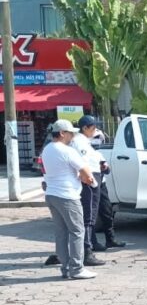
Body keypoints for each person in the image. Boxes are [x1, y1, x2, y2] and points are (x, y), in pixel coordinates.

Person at [41, 119, 97, 279]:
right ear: (62, 133)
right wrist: (89, 180)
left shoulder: (47, 149)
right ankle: (77, 268)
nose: (73, 135)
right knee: (77, 231)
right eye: (70, 132)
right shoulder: (67, 151)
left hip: (52, 194)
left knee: (61, 233)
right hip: (67, 195)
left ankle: (66, 268)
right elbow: (86, 172)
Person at [69, 116, 106, 266]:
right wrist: (91, 182)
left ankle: (92, 242)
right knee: (89, 217)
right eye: (93, 128)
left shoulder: (84, 141)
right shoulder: (79, 142)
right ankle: (87, 252)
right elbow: (83, 164)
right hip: (89, 181)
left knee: (91, 215)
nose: (95, 131)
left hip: (92, 179)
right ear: (85, 128)